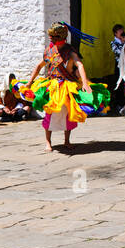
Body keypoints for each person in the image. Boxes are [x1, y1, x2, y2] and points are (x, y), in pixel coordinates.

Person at [25, 23, 99, 152]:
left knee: (68, 114)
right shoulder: (49, 51)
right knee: (50, 114)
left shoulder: (70, 51)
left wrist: (85, 83)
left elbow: (80, 65)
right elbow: (39, 66)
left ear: (60, 37)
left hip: (67, 87)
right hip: (52, 87)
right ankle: (48, 142)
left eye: (53, 36)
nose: (51, 39)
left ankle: (67, 141)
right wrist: (29, 82)